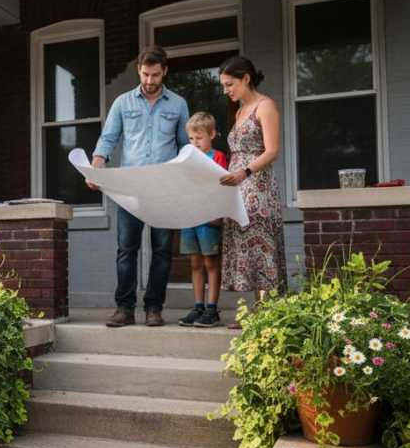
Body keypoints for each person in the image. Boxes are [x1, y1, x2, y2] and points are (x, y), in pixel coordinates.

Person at [87, 45, 190, 328]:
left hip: (164, 189)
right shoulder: (122, 103)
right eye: (145, 74)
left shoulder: (178, 104)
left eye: (155, 75)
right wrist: (96, 168)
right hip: (130, 190)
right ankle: (124, 308)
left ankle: (154, 308)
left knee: (162, 251)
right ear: (139, 71)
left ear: (164, 72)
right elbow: (107, 140)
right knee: (126, 249)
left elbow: (185, 146)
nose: (149, 80)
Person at [217, 56, 286, 328]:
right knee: (245, 244)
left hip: (257, 186)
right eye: (223, 85)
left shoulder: (264, 106)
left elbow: (272, 151)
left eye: (229, 84)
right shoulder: (238, 111)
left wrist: (245, 172)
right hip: (237, 187)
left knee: (260, 243)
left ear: (246, 78)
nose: (226, 91)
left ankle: (265, 314)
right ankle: (257, 313)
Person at [178, 112, 228, 327]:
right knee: (195, 263)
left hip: (209, 218)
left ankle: (212, 309)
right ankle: (197, 306)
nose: (194, 142)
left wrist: (219, 212)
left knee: (211, 262)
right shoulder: (186, 158)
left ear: (212, 135)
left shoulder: (217, 156)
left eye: (199, 138)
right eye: (191, 138)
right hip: (189, 216)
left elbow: (222, 187)